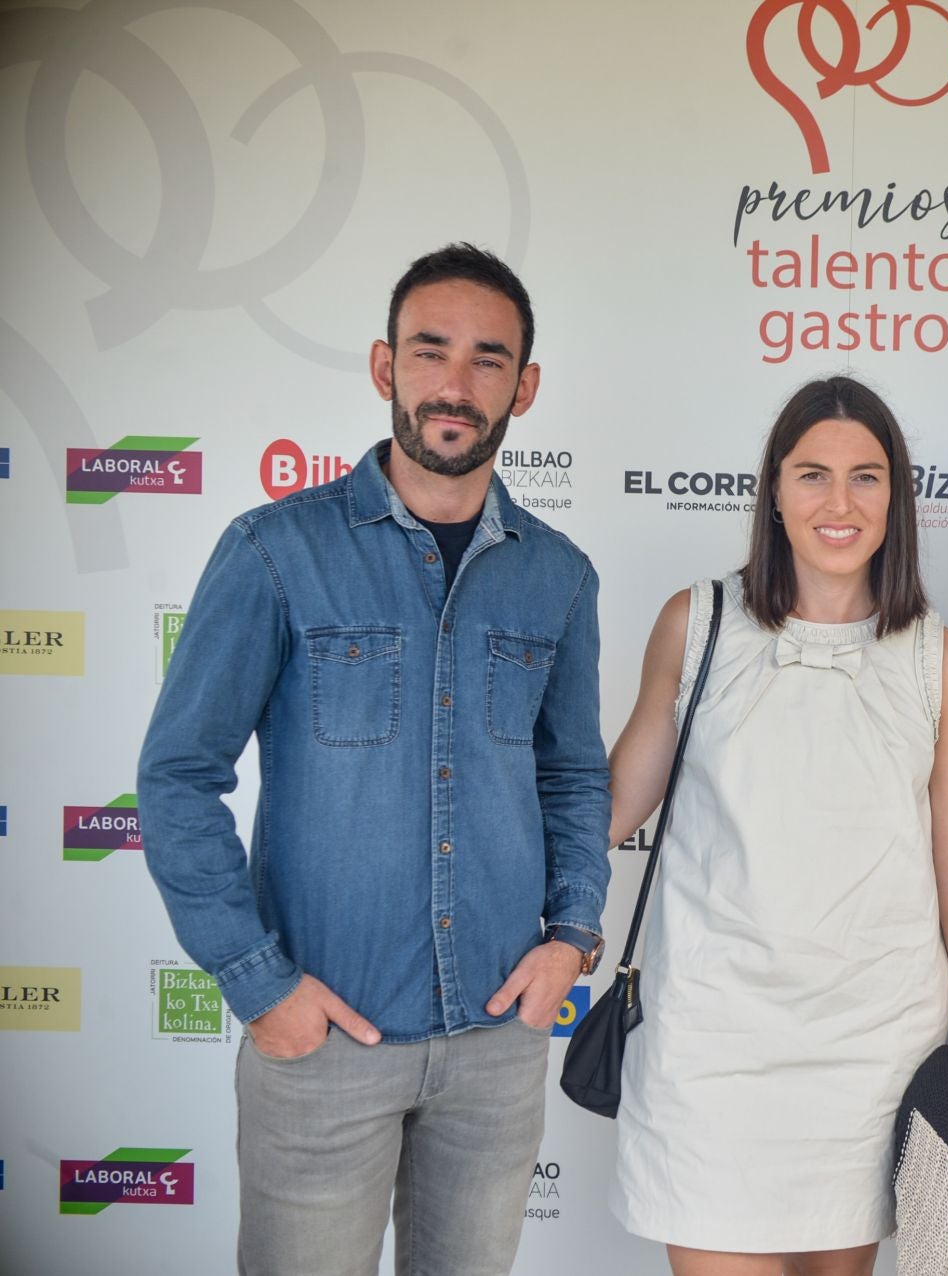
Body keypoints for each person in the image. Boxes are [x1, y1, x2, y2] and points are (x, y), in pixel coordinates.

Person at [137, 243, 610, 1275]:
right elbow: (178, 776)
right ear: (382, 366)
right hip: (323, 1042)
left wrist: (573, 932)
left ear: (524, 387)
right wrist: (259, 984)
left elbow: (573, 773)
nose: (455, 382)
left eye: (489, 360)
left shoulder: (561, 579)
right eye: (429, 350)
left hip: (494, 1047)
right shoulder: (274, 549)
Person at [605, 375, 948, 1276]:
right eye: (812, 474)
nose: (839, 502)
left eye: (866, 477)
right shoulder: (696, 623)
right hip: (711, 1039)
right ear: (774, 492)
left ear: (897, 498)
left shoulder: (942, 662)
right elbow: (612, 803)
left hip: (871, 1047)